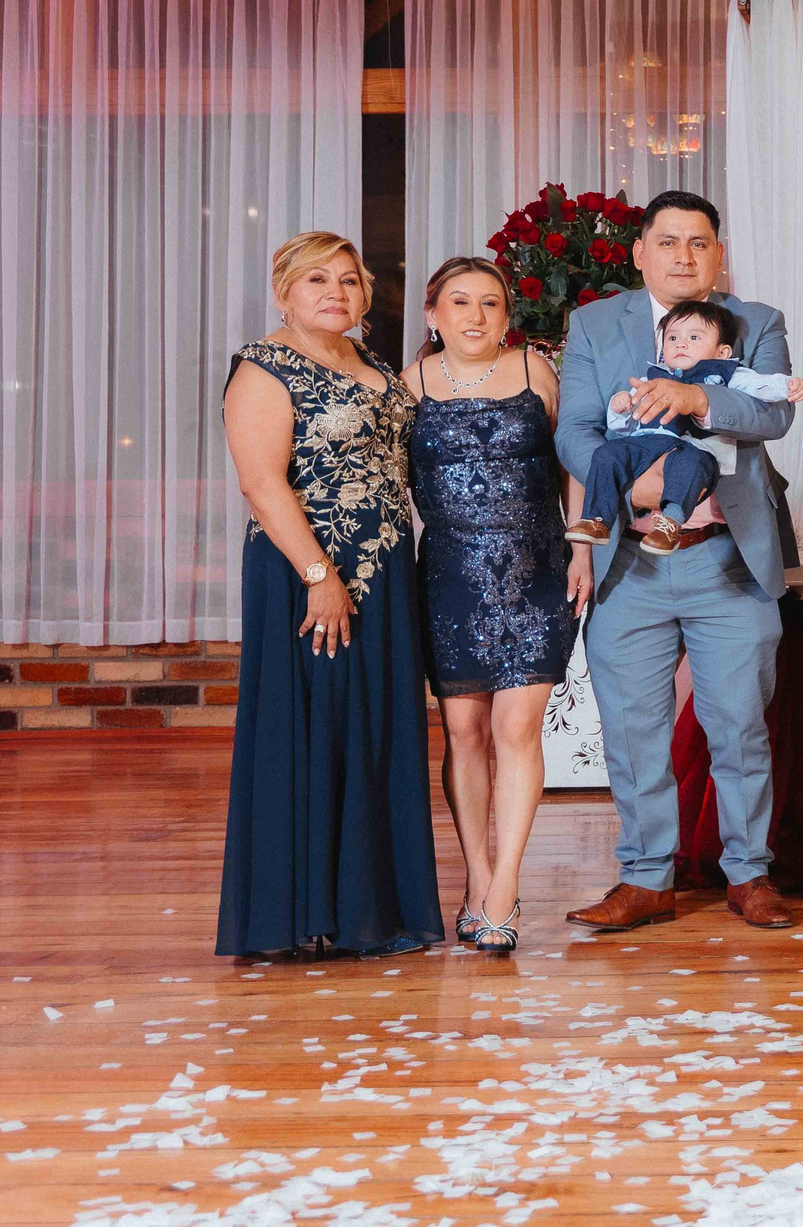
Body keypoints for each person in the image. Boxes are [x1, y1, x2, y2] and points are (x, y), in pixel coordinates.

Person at [554, 189, 799, 932]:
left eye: (699, 242)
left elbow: (773, 414)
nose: (684, 256)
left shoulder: (757, 322)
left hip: (727, 557)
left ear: (718, 254)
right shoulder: (595, 324)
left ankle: (749, 873)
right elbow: (575, 428)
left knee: (739, 724)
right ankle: (645, 877)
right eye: (667, 241)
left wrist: (695, 398)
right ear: (640, 252)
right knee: (633, 729)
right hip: (630, 559)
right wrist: (637, 488)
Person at [217, 231, 442, 960]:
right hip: (307, 571)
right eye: (317, 279)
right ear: (283, 291)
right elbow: (261, 484)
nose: (335, 292)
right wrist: (320, 578)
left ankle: (367, 910)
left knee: (373, 728)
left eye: (349, 280)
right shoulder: (264, 367)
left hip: (386, 571)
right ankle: (298, 914)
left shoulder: (373, 364)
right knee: (311, 725)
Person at [404, 256, 586, 956]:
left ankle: (506, 884)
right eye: (460, 301)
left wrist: (581, 547)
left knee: (517, 727)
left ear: (507, 315)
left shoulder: (537, 370)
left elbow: (573, 461)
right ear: (433, 314)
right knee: (465, 733)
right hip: (450, 575)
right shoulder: (409, 385)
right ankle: (476, 876)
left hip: (536, 568)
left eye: (490, 302)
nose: (475, 315)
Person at [568, 300, 803, 552]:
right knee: (608, 453)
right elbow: (626, 423)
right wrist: (621, 404)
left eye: (694, 337)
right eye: (672, 338)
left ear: (722, 352)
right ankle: (597, 519)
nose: (681, 344)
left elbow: (758, 385)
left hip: (696, 446)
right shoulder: (655, 375)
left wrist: (785, 386)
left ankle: (670, 522)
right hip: (650, 441)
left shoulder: (725, 372)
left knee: (687, 466)